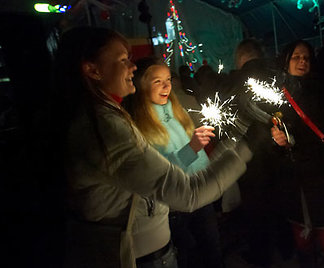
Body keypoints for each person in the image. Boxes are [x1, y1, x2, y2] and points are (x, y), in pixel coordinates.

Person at [51, 26, 252, 268]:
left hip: (172, 217)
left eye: (168, 79)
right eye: (124, 60)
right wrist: (250, 144)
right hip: (142, 249)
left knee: (211, 250)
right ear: (92, 70)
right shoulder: (107, 127)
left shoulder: (147, 113)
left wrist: (235, 137)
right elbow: (183, 189)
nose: (132, 67)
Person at [123, 56, 224, 268]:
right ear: (141, 84)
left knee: (212, 251)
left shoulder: (176, 110)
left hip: (201, 195)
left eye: (168, 79)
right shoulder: (139, 125)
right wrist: (192, 148)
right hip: (175, 205)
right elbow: (161, 173)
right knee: (187, 255)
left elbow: (197, 156)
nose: (166, 85)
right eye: (157, 81)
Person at [270, 39, 324, 267]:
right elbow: (269, 140)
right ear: (286, 61)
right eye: (296, 57)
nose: (302, 61)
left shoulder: (322, 87)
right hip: (294, 186)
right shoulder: (275, 95)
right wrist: (278, 141)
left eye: (307, 57)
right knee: (304, 246)